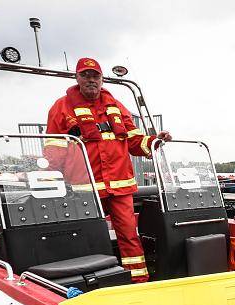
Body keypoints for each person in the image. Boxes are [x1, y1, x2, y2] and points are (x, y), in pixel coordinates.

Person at [43, 57, 171, 282]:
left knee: (130, 236)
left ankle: (138, 281)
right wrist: (48, 179)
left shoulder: (117, 107)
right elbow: (54, 148)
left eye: (95, 76)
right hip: (85, 189)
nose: (91, 80)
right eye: (85, 75)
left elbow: (133, 140)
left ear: (101, 79)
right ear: (77, 77)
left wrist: (154, 141)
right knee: (87, 235)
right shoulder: (61, 107)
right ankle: (90, 282)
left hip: (120, 187)